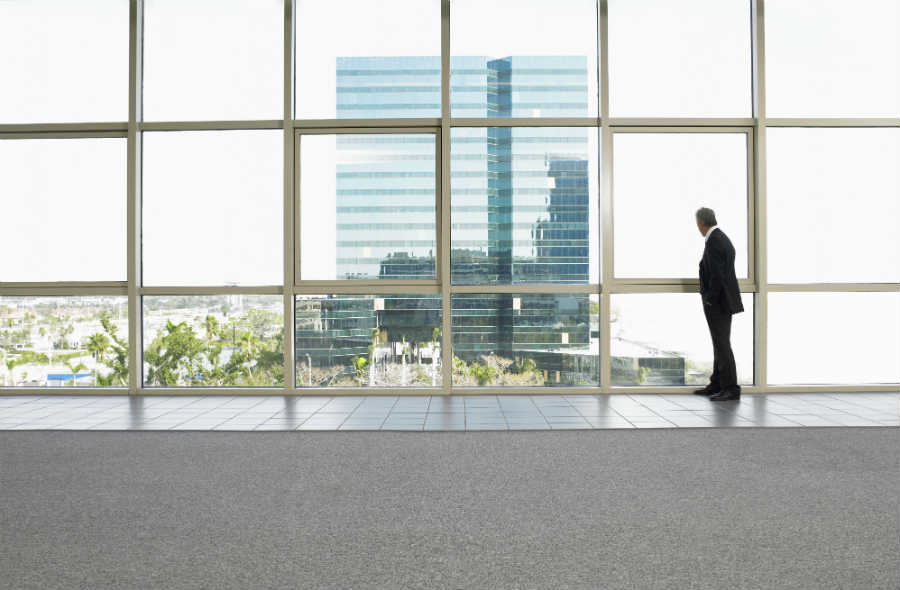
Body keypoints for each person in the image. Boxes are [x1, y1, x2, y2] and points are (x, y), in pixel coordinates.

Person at [693, 207, 744, 401]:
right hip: (724, 301)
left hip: (719, 303)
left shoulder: (715, 241)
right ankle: (717, 383)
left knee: (722, 345)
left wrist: (709, 299)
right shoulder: (721, 238)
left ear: (700, 224)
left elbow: (716, 275)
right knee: (720, 343)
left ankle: (731, 388)